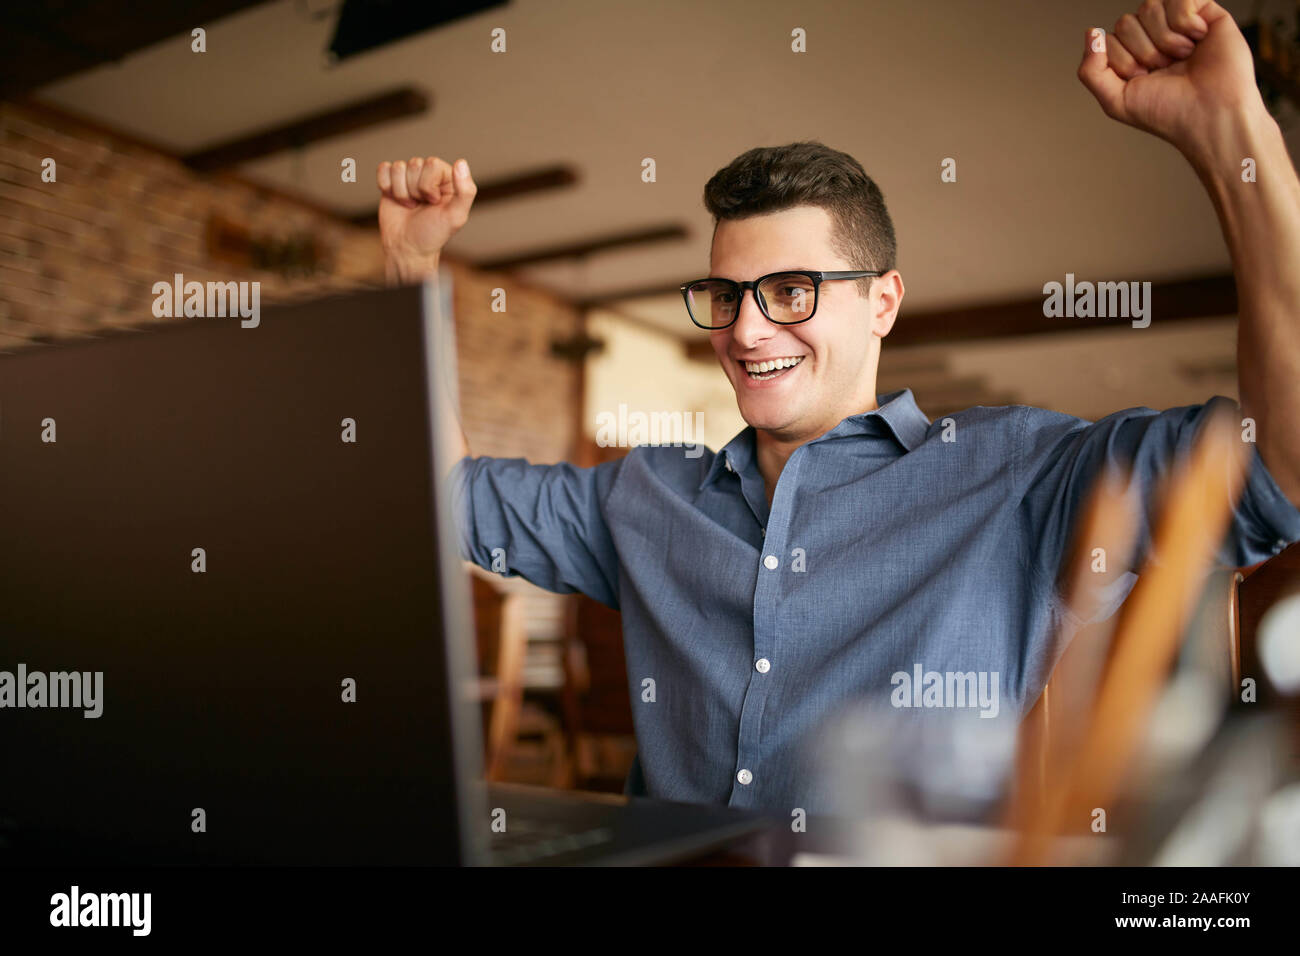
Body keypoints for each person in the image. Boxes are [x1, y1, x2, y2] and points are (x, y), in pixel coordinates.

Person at [374, 1, 1300, 816]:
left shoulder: (1021, 476)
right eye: (727, 295)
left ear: (884, 302)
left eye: (789, 290)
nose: (745, 329)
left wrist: (1235, 142)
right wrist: (411, 273)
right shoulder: (644, 498)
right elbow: (444, 493)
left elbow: (1281, 470)